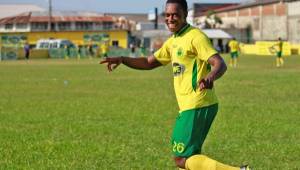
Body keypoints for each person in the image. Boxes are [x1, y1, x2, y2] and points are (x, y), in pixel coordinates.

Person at [100, 0, 250, 169]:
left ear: (185, 15)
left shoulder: (196, 37)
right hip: (192, 105)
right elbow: (149, 62)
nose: (170, 18)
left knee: (180, 158)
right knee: (190, 157)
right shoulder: (173, 41)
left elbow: (219, 63)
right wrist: (122, 59)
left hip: (197, 103)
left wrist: (209, 78)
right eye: (167, 15)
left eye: (175, 15)